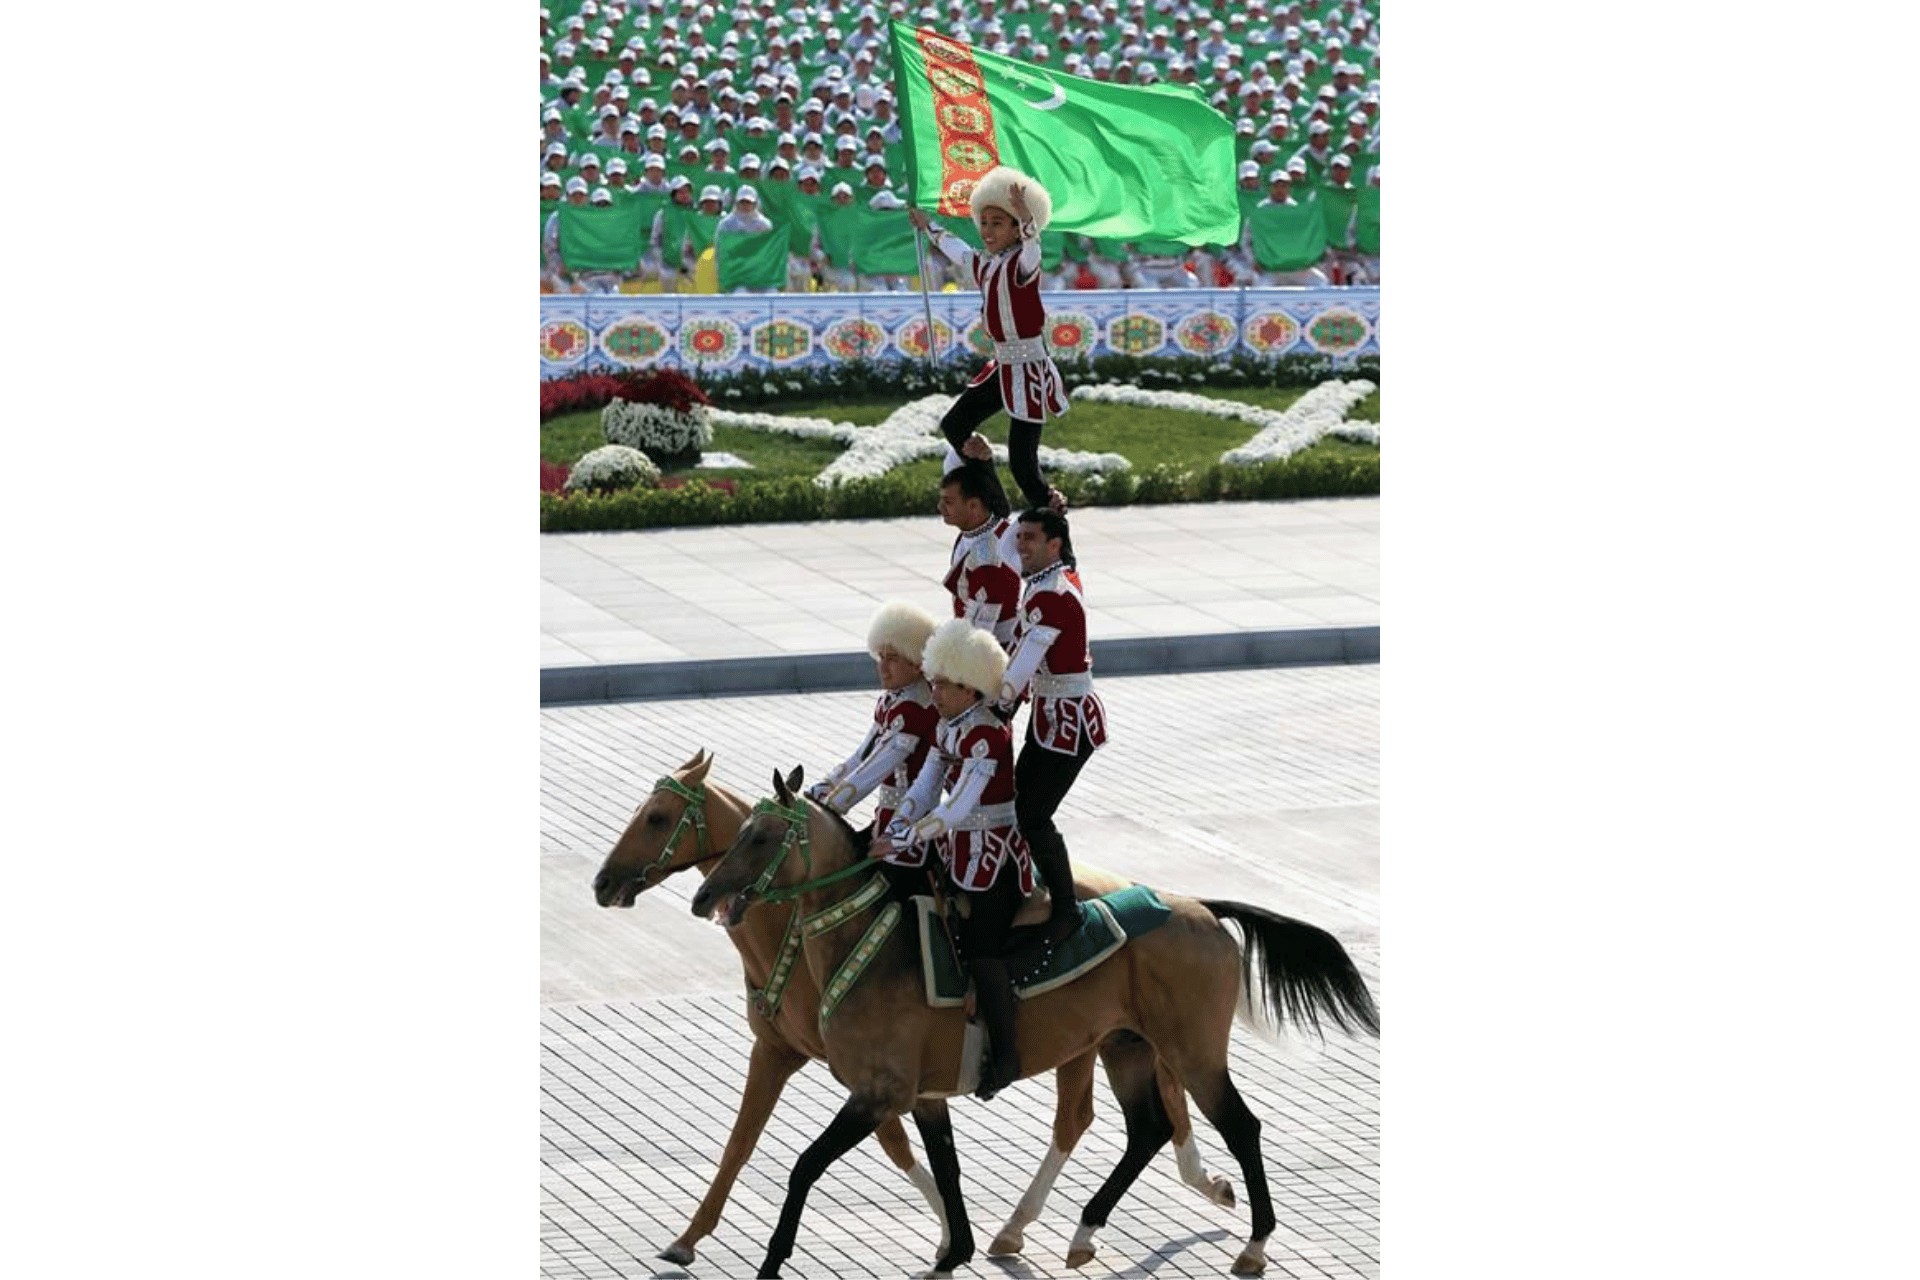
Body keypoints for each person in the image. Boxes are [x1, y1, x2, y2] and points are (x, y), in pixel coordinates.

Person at [872, 618, 1036, 1100]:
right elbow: (925, 787)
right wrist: (898, 826)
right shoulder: (948, 727)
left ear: (970, 687)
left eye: (944, 683)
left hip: (993, 859)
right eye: (934, 680)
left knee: (983, 951)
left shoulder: (987, 734)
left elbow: (960, 805)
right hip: (955, 852)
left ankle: (1005, 1056)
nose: (935, 691)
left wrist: (905, 838)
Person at [907, 165, 1070, 517]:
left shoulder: (1022, 265)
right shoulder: (985, 264)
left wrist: (1026, 217)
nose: (988, 231)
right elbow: (958, 250)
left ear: (1015, 228)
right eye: (984, 222)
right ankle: (996, 506)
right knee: (954, 426)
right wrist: (927, 226)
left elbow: (1033, 249)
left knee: (1023, 463)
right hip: (1002, 366)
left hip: (1028, 368)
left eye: (998, 223)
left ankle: (1053, 523)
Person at [995, 508, 1108, 944]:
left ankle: (1065, 908)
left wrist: (996, 705)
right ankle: (1028, 888)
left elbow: (1022, 665)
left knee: (1032, 815)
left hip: (1066, 725)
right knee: (1018, 808)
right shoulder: (1054, 577)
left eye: (1030, 538)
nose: (1019, 544)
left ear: (1054, 545)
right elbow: (1005, 544)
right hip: (1052, 718)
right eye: (1019, 536)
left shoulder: (1048, 595)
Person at [807, 602, 943, 900]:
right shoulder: (892, 700)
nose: (882, 666)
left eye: (892, 658)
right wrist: (819, 790)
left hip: (912, 825)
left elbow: (876, 768)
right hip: (884, 817)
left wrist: (831, 806)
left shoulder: (915, 709)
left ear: (917, 663)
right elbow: (861, 756)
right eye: (880, 657)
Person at [938, 464, 1021, 649]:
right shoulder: (977, 531)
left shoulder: (988, 556)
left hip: (993, 651)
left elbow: (979, 631)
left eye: (948, 502)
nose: (940, 507)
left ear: (973, 505)